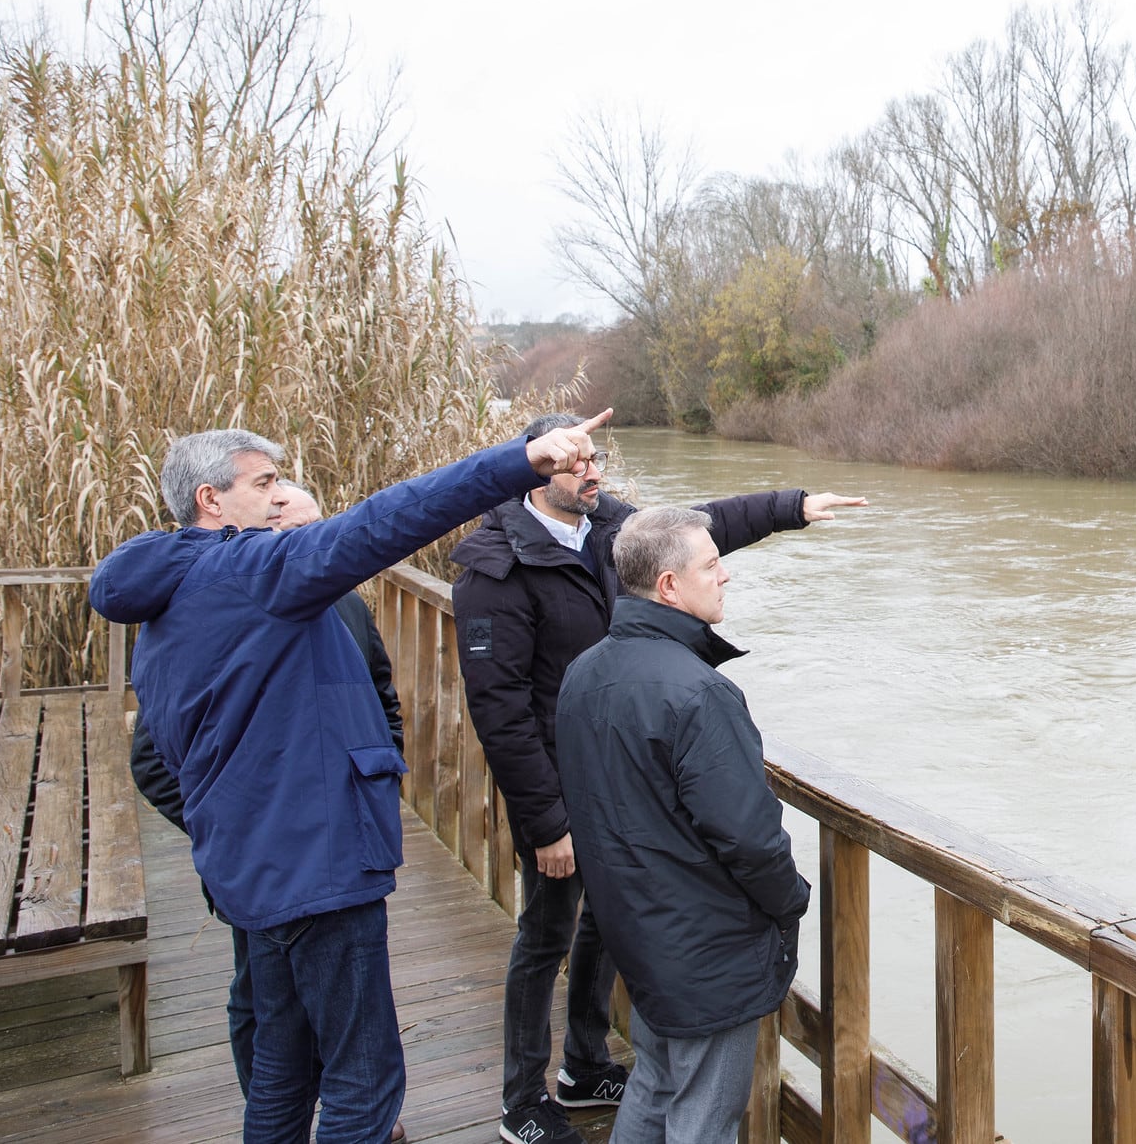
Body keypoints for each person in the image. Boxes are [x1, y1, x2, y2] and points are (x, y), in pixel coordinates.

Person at [91, 413, 612, 1144]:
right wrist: (522, 460)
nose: (278, 500)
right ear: (212, 501)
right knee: (364, 1085)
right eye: (265, 483)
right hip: (317, 869)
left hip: (249, 870)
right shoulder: (255, 572)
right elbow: (390, 517)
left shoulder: (163, 596)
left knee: (280, 1070)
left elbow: (171, 750)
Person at [449, 412, 863, 1144]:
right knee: (546, 937)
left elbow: (700, 527)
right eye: (578, 462)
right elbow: (501, 709)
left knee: (622, 955)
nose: (594, 472)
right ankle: (522, 1095)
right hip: (570, 790)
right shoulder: (496, 565)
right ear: (536, 469)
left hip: (623, 787)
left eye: (595, 458)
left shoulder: (612, 532)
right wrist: (547, 819)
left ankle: (582, 1062)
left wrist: (792, 507)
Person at [127, 483, 403, 1142]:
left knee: (319, 1050)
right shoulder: (228, 608)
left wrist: (372, 792)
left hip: (341, 847)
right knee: (284, 1032)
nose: (312, 545)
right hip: (264, 863)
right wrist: (232, 824)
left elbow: (382, 700)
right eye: (293, 530)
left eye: (319, 530)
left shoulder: (345, 603)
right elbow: (153, 757)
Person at [555, 506, 810, 1144]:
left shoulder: (584, 672)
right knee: (704, 1118)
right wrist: (791, 903)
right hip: (705, 946)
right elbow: (750, 836)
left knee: (656, 1082)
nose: (724, 577)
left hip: (637, 928)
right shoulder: (698, 693)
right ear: (669, 586)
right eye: (711, 565)